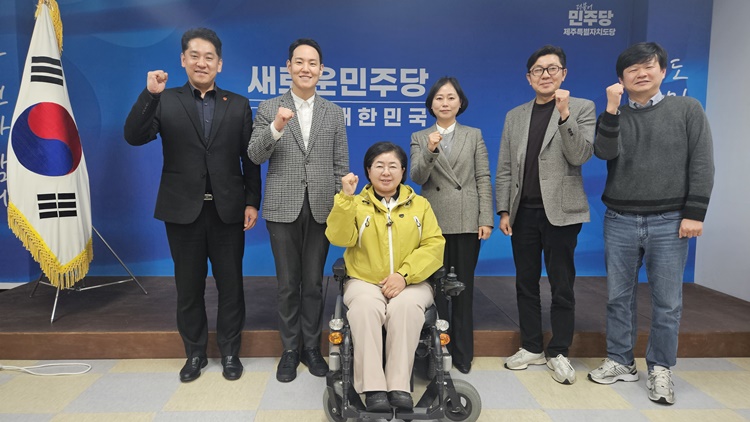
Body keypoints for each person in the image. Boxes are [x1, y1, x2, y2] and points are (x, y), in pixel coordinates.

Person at [124, 28, 261, 382]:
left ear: (220, 64)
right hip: (182, 210)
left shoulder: (238, 104)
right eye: (195, 56)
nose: (202, 63)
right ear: (183, 60)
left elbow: (250, 158)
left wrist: (252, 201)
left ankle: (230, 352)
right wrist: (150, 94)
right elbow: (134, 136)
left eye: (209, 57)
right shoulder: (165, 99)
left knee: (231, 286)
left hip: (228, 210)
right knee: (188, 287)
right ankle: (195, 353)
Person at [587, 42, 714, 405]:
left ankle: (660, 368)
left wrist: (695, 213)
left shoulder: (687, 109)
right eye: (633, 69)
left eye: (648, 67)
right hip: (620, 218)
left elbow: (702, 162)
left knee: (667, 301)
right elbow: (603, 152)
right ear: (621, 78)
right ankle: (620, 360)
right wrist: (611, 109)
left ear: (662, 71)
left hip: (670, 220)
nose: (641, 74)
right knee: (618, 297)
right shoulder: (614, 115)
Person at [248, 38, 349, 383]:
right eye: (300, 62)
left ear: (321, 70)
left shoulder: (333, 112)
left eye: (313, 63)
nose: (306, 68)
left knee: (314, 284)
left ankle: (311, 348)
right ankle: (290, 350)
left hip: (321, 207)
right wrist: (276, 127)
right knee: (288, 284)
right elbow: (254, 155)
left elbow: (340, 165)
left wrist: (342, 206)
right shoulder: (269, 108)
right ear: (288, 66)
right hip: (282, 207)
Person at [495, 45, 595, 385]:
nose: (546, 75)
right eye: (538, 70)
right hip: (523, 213)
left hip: (562, 212)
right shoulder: (515, 115)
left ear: (564, 74)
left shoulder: (581, 107)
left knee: (561, 284)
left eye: (553, 68)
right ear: (529, 78)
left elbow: (580, 155)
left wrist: (564, 115)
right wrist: (504, 209)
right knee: (525, 283)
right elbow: (505, 167)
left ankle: (560, 351)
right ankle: (532, 346)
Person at [325, 141, 445, 412]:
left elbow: (434, 245)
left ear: (403, 171)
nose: (386, 172)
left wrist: (403, 275)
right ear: (368, 171)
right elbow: (339, 237)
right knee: (365, 308)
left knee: (406, 308)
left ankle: (398, 386)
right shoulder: (355, 204)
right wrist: (345, 199)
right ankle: (373, 388)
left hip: (411, 282)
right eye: (379, 166)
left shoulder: (420, 205)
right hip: (364, 281)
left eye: (393, 166)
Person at [410, 77, 493, 374]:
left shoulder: (474, 135)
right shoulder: (420, 136)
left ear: (460, 103)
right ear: (431, 104)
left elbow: (483, 177)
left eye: (450, 98)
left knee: (463, 289)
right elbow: (417, 177)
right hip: (433, 221)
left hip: (466, 218)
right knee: (434, 289)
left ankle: (463, 352)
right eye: (439, 98)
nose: (445, 103)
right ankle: (436, 350)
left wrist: (485, 218)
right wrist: (431, 150)